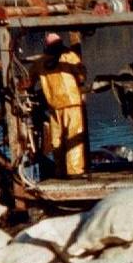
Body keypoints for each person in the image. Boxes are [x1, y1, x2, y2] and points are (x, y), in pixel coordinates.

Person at [35, 32, 87, 177]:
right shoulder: (70, 56)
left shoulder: (40, 62)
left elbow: (28, 81)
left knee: (56, 139)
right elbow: (82, 77)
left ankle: (60, 170)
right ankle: (74, 171)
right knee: (74, 136)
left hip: (54, 106)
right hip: (72, 103)